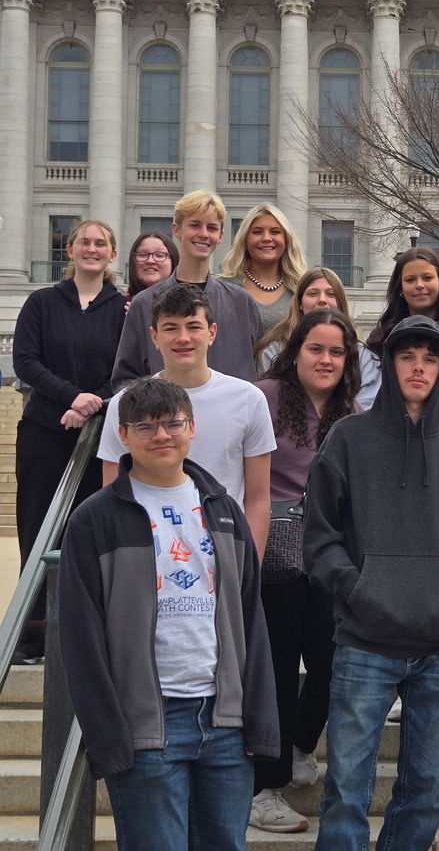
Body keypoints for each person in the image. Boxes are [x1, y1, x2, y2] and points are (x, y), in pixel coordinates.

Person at [58, 377, 279, 851]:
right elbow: (81, 639)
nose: (162, 435)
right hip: (147, 727)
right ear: (122, 434)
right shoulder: (94, 520)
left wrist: (256, 718)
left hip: (225, 722)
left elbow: (251, 621)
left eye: (173, 423)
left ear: (192, 427)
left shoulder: (224, 510)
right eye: (146, 426)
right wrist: (107, 733)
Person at [303, 315, 439, 851]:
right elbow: (319, 534)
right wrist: (356, 587)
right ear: (389, 365)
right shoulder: (348, 437)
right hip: (364, 640)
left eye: (430, 358)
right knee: (345, 791)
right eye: (407, 356)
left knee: (427, 790)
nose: (418, 367)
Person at [249, 308, 362, 835]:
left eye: (336, 351)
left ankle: (298, 743)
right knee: (272, 666)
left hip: (330, 552)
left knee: (331, 661)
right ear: (296, 352)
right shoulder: (265, 398)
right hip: (273, 551)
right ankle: (263, 787)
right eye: (316, 348)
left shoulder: (353, 414)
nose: (325, 359)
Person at [12, 218, 125, 664]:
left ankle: (87, 634)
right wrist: (70, 397)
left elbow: (125, 367)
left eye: (101, 243)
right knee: (36, 531)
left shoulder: (124, 309)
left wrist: (90, 404)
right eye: (84, 242)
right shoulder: (41, 302)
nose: (92, 249)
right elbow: (25, 361)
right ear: (70, 251)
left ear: (112, 253)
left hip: (101, 439)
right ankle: (31, 635)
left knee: (92, 534)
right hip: (44, 432)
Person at [99, 285, 275, 558]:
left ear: (211, 333)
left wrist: (249, 571)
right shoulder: (125, 404)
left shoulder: (249, 399)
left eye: (193, 326)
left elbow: (259, 498)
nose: (183, 338)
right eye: (170, 328)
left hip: (224, 548)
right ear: (154, 337)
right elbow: (111, 495)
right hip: (149, 552)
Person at [112, 191, 263, 388]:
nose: (203, 234)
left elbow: (263, 369)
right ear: (177, 229)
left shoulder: (241, 301)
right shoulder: (144, 303)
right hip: (166, 416)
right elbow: (125, 379)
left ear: (220, 236)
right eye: (195, 225)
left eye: (211, 228)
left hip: (233, 415)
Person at [256, 267, 381, 409]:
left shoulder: (363, 356)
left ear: (340, 303)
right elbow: (271, 403)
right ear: (300, 303)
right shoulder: (273, 353)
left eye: (331, 294)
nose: (322, 300)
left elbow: (367, 406)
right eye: (313, 294)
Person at [219, 203, 308, 334]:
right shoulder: (223, 288)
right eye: (257, 232)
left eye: (275, 232)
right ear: (245, 241)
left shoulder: (302, 290)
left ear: (286, 240)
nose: (266, 238)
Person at [366, 247, 439, 358]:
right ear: (400, 288)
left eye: (427, 278)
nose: (419, 285)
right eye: (410, 280)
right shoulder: (380, 337)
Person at [126, 231, 179, 299]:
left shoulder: (190, 304)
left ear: (173, 260)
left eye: (159, 255)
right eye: (143, 254)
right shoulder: (120, 305)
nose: (150, 261)